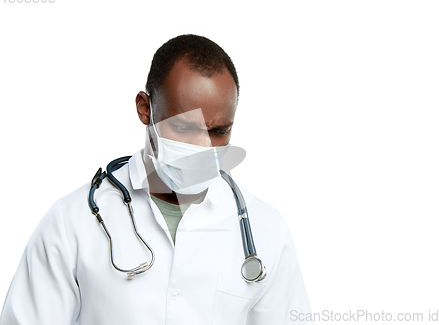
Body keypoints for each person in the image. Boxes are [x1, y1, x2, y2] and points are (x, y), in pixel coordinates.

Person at [0, 34, 313, 324]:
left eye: (218, 131)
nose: (201, 148)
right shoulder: (72, 222)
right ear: (145, 109)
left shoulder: (266, 230)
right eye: (184, 128)